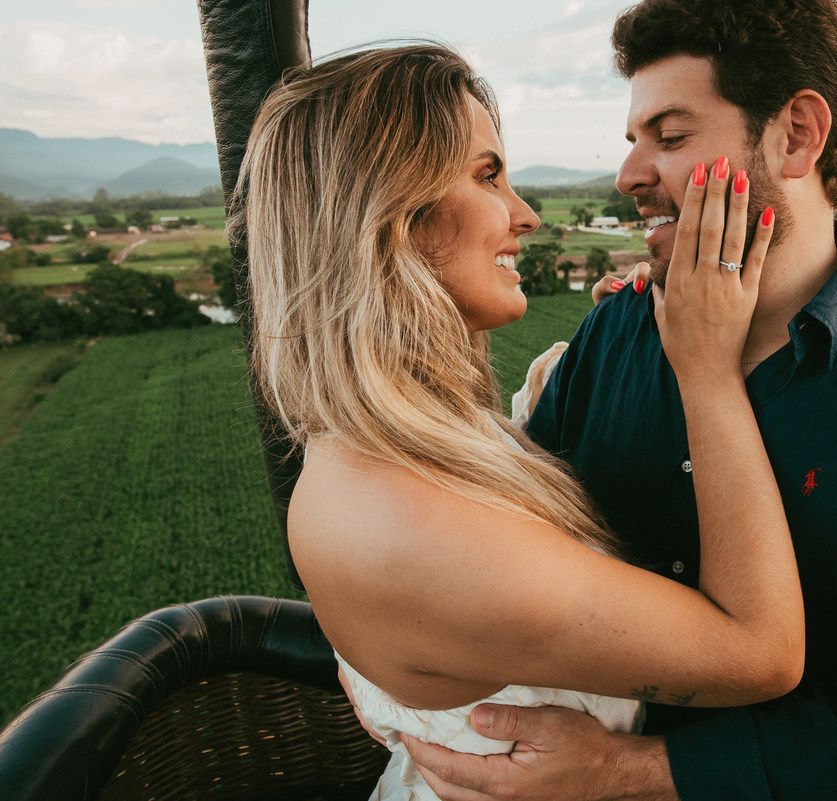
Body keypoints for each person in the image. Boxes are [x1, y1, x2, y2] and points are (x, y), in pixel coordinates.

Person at [399, 1, 837, 799]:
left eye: (669, 136)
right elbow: (518, 546)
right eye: (634, 142)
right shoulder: (615, 332)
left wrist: (617, 771)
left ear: (798, 134)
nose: (630, 174)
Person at [238, 41, 805, 801]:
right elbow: (762, 654)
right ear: (387, 212)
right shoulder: (421, 533)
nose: (526, 215)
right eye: (486, 175)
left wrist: (618, 340)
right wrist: (706, 369)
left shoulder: (375, 449)